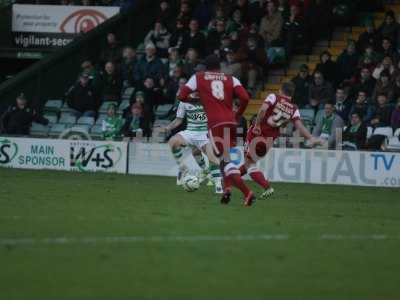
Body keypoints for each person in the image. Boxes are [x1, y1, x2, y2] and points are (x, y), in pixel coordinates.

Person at [178, 54, 254, 206]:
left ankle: (247, 193)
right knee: (224, 157)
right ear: (219, 66)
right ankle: (227, 190)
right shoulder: (231, 78)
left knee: (225, 161)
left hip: (215, 123)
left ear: (205, 67)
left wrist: (198, 100)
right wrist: (237, 114)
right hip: (231, 122)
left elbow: (182, 95)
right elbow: (245, 98)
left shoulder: (198, 77)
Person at [241, 82, 322, 198]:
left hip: (256, 134)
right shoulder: (294, 109)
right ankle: (230, 179)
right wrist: (311, 138)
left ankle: (267, 187)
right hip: (268, 141)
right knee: (249, 162)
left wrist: (257, 125)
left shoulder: (274, 97)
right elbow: (299, 126)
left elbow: (263, 110)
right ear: (292, 94)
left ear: (281, 90)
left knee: (249, 164)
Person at [163, 94, 223, 194]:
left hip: (204, 133)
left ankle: (218, 185)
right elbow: (178, 119)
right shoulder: (184, 101)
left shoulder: (208, 99)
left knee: (210, 158)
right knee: (173, 141)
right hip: (190, 132)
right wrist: (167, 128)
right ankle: (184, 168)